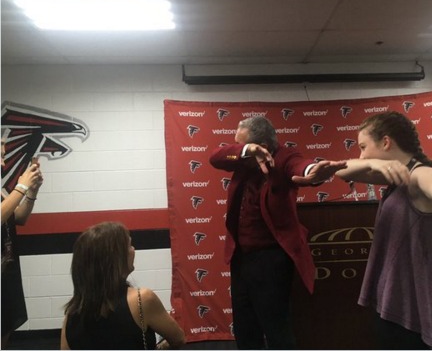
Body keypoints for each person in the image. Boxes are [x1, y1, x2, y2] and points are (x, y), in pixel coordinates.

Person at [298, 111, 432, 349]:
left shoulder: (421, 174)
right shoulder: (397, 176)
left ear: (386, 142)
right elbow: (340, 169)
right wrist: (373, 161)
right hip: (396, 300)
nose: (360, 154)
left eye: (364, 146)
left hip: (414, 311)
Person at [209, 116, 347, 349]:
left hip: (271, 259)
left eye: (244, 144)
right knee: (245, 328)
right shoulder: (244, 159)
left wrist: (313, 171)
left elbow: (301, 166)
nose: (238, 147)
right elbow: (216, 156)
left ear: (264, 146)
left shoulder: (284, 157)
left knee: (276, 329)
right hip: (241, 258)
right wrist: (246, 149)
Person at [60, 222, 185, 350]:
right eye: (129, 245)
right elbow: (178, 338)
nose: (133, 250)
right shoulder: (142, 300)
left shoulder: (70, 316)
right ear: (116, 258)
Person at [1, 138, 43, 348]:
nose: (2, 164)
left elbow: (19, 217)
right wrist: (21, 186)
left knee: (5, 328)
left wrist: (31, 191)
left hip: (6, 274)